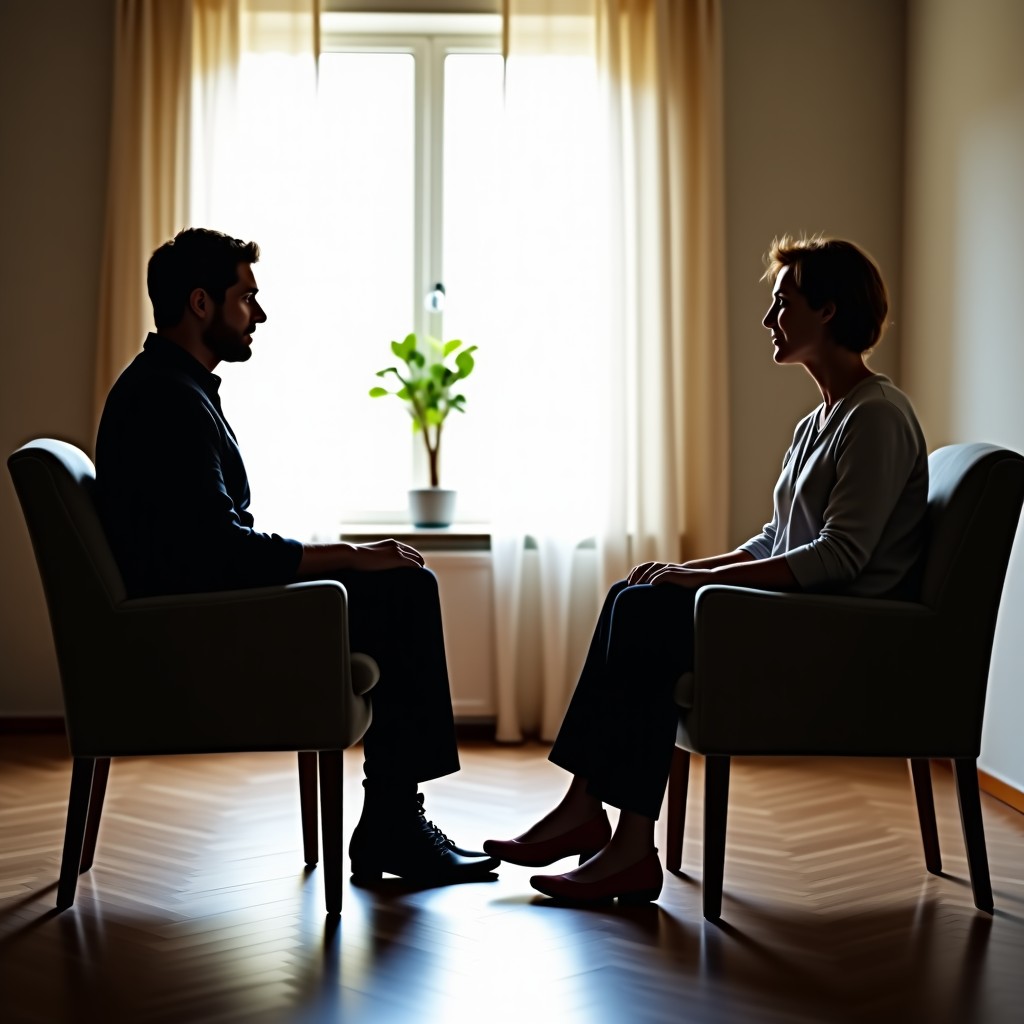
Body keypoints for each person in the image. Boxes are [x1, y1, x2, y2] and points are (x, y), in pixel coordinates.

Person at [484, 235, 929, 904]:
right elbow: (777, 538)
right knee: (634, 591)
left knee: (646, 609)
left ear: (829, 311)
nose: (768, 320)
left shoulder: (877, 417)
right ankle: (593, 816)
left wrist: (697, 583)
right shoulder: (819, 421)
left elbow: (841, 557)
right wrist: (685, 570)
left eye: (783, 304)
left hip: (839, 630)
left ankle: (622, 841)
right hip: (805, 614)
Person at [95, 227, 499, 885]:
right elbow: (216, 550)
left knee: (395, 582)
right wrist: (344, 556)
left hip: (195, 609)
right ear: (201, 304)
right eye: (246, 297)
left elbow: (204, 541)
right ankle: (393, 824)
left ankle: (393, 820)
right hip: (196, 629)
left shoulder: (172, 387)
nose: (259, 314)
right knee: (401, 589)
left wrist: (345, 561)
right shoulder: (166, 399)